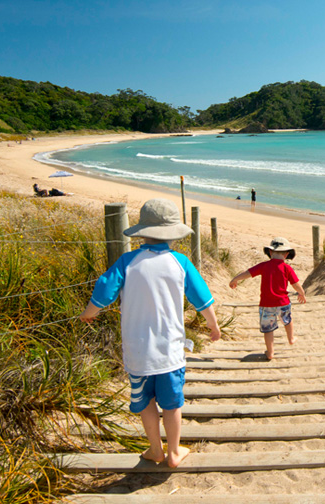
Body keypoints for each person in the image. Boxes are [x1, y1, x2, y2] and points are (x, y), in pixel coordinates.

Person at [79, 198, 221, 468]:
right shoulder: (180, 262)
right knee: (172, 404)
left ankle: (155, 450)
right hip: (170, 352)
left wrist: (90, 313)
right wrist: (213, 326)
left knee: (145, 403)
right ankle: (175, 452)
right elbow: (201, 297)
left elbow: (104, 290)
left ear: (142, 232)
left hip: (137, 351)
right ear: (173, 234)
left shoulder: (128, 261)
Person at [229, 237, 306, 360]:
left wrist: (235, 279)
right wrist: (301, 293)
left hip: (266, 304)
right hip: (283, 302)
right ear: (286, 254)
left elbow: (248, 273)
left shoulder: (263, 266)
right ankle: (291, 338)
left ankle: (270, 352)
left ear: (270, 252)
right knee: (287, 320)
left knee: (268, 329)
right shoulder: (287, 268)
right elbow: (295, 284)